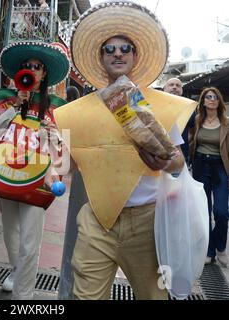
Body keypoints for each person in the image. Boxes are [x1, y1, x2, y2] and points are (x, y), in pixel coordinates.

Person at [53, 2, 197, 300]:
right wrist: (47, 159)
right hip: (96, 220)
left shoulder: (157, 106)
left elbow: (178, 162)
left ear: (135, 56)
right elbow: (66, 166)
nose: (117, 53)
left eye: (125, 47)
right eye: (109, 49)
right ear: (101, 57)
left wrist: (168, 161)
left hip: (147, 222)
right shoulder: (79, 113)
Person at [0, 41, 70, 300]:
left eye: (37, 66)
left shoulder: (55, 105)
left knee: (30, 240)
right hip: (5, 173)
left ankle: (24, 296)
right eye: (27, 66)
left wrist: (52, 135)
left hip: (38, 177)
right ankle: (15, 269)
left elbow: (62, 144)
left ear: (44, 74)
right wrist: (14, 106)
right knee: (9, 231)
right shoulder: (3, 98)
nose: (31, 70)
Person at [190, 87, 229, 267]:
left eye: (214, 97)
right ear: (203, 101)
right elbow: (189, 140)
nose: (211, 99)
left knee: (221, 212)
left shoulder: (226, 123)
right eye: (208, 97)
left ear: (219, 101)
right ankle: (208, 251)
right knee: (203, 212)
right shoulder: (197, 120)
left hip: (220, 166)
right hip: (200, 165)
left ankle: (219, 246)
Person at [163, 78, 195, 164]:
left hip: (182, 155)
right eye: (171, 85)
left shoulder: (189, 108)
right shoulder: (157, 104)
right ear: (164, 89)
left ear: (181, 90)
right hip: (159, 156)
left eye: (178, 85)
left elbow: (193, 130)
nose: (174, 87)